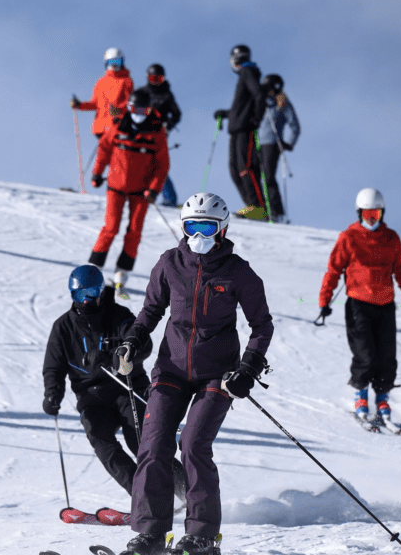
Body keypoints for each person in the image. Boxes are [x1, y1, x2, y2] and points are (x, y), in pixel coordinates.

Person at [115, 192, 274, 555]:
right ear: (183, 228)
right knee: (153, 445)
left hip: (217, 375)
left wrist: (247, 369)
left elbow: (262, 326)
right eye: (191, 227)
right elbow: (150, 312)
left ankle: (202, 534)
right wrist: (131, 344)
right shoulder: (170, 263)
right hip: (170, 368)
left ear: (222, 229)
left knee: (194, 444)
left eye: (207, 227)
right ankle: (150, 534)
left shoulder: (238, 272)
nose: (198, 234)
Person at [43, 265, 187, 497]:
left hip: (127, 388)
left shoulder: (118, 315)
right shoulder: (63, 328)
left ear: (101, 292)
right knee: (101, 441)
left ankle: (189, 493)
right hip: (92, 396)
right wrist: (52, 392)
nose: (86, 301)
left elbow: (143, 343)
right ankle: (143, 497)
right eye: (80, 295)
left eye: (91, 293)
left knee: (142, 443)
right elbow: (53, 366)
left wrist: (116, 358)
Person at [318, 188, 401, 426]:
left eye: (375, 213)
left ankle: (382, 398)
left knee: (386, 355)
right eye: (367, 214)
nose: (371, 218)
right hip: (358, 305)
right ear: (359, 213)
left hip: (385, 306)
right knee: (365, 354)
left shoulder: (391, 238)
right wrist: (324, 301)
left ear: (382, 213)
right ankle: (361, 394)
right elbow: (334, 270)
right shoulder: (349, 237)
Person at [89, 89, 170, 295]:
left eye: (143, 109)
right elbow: (104, 150)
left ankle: (122, 272)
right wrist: (97, 174)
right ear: (129, 107)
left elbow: (162, 165)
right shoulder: (118, 125)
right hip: (115, 185)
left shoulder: (156, 132)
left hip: (141, 191)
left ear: (149, 110)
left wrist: (154, 189)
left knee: (134, 231)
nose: (138, 113)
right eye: (134, 109)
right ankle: (94, 267)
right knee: (111, 227)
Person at [213, 45, 266, 220]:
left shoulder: (248, 72)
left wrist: (256, 119)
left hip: (245, 128)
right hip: (237, 128)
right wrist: (226, 114)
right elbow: (241, 108)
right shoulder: (246, 74)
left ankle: (259, 207)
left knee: (245, 167)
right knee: (235, 169)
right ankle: (252, 206)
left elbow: (259, 95)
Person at [256, 74, 299, 223]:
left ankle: (276, 212)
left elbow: (295, 126)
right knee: (254, 176)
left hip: (272, 144)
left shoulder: (282, 103)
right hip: (256, 143)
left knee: (268, 177)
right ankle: (260, 209)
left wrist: (289, 143)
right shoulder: (261, 102)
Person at [137, 64, 182, 207]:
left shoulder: (167, 94)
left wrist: (168, 125)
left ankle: (170, 198)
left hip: (158, 133)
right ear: (147, 77)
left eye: (159, 78)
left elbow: (176, 113)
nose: (156, 81)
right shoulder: (142, 92)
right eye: (153, 78)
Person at [72, 48, 134, 139]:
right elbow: (95, 103)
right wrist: (80, 105)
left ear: (122, 62)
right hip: (101, 128)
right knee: (104, 152)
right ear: (106, 64)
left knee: (116, 152)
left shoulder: (126, 81)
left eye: (117, 62)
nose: (114, 65)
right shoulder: (101, 82)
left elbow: (130, 104)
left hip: (117, 125)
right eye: (111, 62)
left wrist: (118, 111)